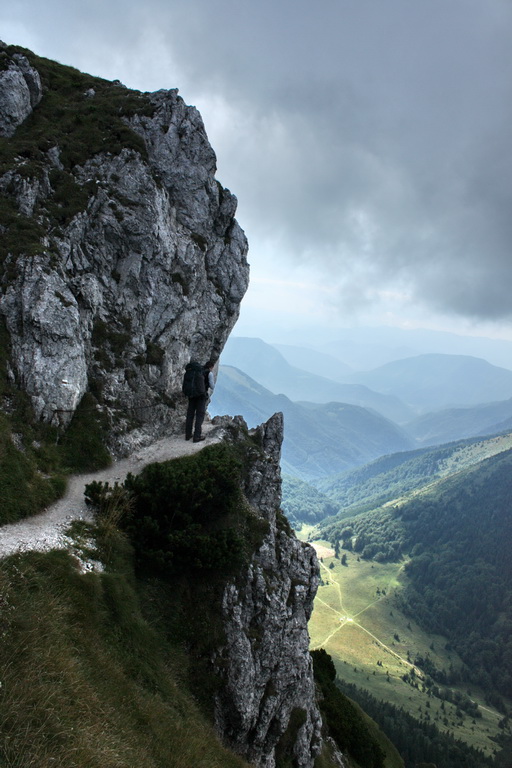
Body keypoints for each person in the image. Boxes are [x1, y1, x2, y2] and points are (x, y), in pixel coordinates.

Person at [185, 360, 215, 442]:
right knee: (199, 416)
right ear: (211, 367)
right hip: (201, 396)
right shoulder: (209, 373)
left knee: (190, 415)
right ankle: (197, 436)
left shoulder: (197, 371)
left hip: (192, 395)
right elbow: (212, 386)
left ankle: (188, 435)